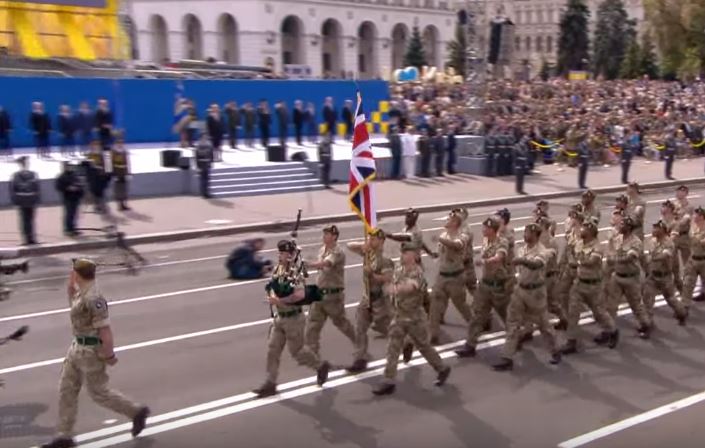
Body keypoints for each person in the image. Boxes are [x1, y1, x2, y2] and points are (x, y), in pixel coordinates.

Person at [39, 259, 150, 448]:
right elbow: (73, 300)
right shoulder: (81, 292)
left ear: (77, 274)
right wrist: (71, 283)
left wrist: (109, 354)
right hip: (76, 347)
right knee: (67, 389)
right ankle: (64, 435)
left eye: (73, 272)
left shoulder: (94, 298)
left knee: (98, 392)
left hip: (91, 351)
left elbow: (105, 329)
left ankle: (136, 412)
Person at [253, 240, 331, 398]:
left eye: (283, 253)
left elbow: (299, 295)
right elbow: (271, 285)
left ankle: (320, 366)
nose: (280, 255)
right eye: (280, 252)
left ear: (290, 255)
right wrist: (272, 295)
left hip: (293, 318)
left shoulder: (296, 273)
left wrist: (279, 301)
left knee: (297, 352)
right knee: (273, 350)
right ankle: (270, 383)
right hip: (280, 317)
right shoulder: (279, 269)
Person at [372, 243, 451, 396]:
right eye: (402, 253)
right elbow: (390, 281)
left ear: (415, 255)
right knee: (392, 347)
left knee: (423, 346)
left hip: (414, 318)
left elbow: (411, 286)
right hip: (399, 316)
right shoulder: (399, 269)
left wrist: (395, 289)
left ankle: (442, 368)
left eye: (406, 253)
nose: (402, 255)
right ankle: (388, 380)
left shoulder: (418, 272)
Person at [492, 224, 562, 371]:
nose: (525, 235)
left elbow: (536, 264)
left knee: (543, 325)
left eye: (528, 232)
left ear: (535, 235)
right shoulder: (522, 249)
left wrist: (521, 261)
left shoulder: (542, 251)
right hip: (520, 290)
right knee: (512, 322)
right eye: (524, 232)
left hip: (535, 293)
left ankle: (555, 350)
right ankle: (507, 357)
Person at [455, 217, 511, 358]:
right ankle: (470, 345)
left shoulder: (502, 241)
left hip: (498, 287)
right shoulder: (486, 240)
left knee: (507, 316)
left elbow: (499, 257)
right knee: (477, 315)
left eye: (486, 228)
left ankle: (515, 339)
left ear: (492, 230)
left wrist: (485, 262)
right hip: (485, 285)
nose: (483, 230)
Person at [562, 220, 619, 354]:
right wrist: (571, 254)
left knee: (599, 312)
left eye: (584, 229)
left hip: (593, 286)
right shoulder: (579, 243)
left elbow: (590, 261)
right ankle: (571, 341)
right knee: (573, 312)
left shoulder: (597, 247)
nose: (581, 231)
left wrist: (575, 259)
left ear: (591, 232)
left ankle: (612, 331)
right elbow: (571, 252)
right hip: (579, 283)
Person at [304, 225, 356, 357]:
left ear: (334, 236)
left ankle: (359, 343)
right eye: (324, 234)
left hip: (333, 295)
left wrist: (308, 264)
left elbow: (326, 264)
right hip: (319, 294)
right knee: (312, 325)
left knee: (342, 323)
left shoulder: (337, 252)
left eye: (327, 234)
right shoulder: (322, 249)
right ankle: (313, 354)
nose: (324, 236)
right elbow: (320, 267)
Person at [346, 229, 394, 373]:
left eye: (373, 239)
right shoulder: (368, 254)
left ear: (381, 241)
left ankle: (406, 343)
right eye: (369, 238)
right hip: (367, 298)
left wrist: (372, 275)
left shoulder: (385, 260)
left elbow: (387, 278)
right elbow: (349, 246)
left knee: (386, 328)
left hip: (380, 300)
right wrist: (363, 245)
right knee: (360, 328)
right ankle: (360, 359)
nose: (370, 241)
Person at [428, 209, 473, 344]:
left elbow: (456, 245)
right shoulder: (444, 234)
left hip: (455, 277)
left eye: (449, 219)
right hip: (442, 276)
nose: (446, 221)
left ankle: (475, 325)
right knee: (435, 305)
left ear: (455, 223)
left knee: (461, 305)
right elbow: (442, 253)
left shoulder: (462, 236)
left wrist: (441, 239)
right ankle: (433, 334)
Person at [608, 216, 652, 339]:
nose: (620, 226)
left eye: (622, 224)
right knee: (611, 306)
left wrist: (614, 259)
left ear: (629, 227)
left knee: (636, 305)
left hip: (631, 278)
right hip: (617, 276)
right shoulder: (617, 239)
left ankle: (645, 325)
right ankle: (609, 331)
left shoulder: (636, 242)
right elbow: (611, 252)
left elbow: (629, 257)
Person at [644, 220, 688, 325]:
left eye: (656, 228)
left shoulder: (668, 243)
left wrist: (652, 258)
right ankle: (647, 322)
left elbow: (664, 256)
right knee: (648, 299)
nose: (653, 230)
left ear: (662, 230)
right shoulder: (653, 241)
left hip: (664, 277)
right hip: (653, 276)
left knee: (671, 299)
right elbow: (649, 255)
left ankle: (682, 313)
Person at [10, 156, 41, 245]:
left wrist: (37, 199)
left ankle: (32, 238)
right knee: (24, 221)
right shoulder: (16, 175)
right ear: (20, 164)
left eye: (26, 163)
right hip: (22, 201)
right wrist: (15, 202)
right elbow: (13, 189)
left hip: (31, 200)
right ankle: (26, 239)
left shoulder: (33, 174)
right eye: (23, 163)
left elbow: (37, 188)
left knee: (31, 220)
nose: (25, 164)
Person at [681, 207, 705, 309]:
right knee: (688, 283)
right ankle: (684, 306)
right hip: (693, 259)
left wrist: (697, 240)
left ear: (702, 217)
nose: (694, 217)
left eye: (697, 215)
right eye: (694, 215)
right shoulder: (693, 227)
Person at [55, 162, 84, 237]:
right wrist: (68, 188)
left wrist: (78, 188)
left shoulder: (74, 175)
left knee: (75, 214)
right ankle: (68, 230)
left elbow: (80, 184)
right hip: (68, 198)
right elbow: (58, 187)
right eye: (66, 166)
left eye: (69, 166)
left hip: (76, 197)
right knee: (69, 214)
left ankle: (73, 228)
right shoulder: (61, 176)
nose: (69, 167)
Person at [111, 131, 131, 211]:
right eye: (119, 143)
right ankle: (119, 205)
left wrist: (128, 173)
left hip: (123, 172)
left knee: (124, 189)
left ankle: (124, 204)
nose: (120, 144)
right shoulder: (113, 152)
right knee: (118, 189)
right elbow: (111, 163)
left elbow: (127, 163)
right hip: (117, 172)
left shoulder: (124, 152)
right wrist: (113, 174)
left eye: (121, 143)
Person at [195, 134, 213, 199]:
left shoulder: (209, 145)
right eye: (204, 137)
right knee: (203, 179)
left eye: (206, 137)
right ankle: (204, 193)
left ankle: (206, 192)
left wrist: (211, 162)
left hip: (207, 163)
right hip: (201, 164)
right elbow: (196, 157)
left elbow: (211, 154)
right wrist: (197, 166)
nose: (205, 138)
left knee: (207, 179)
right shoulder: (198, 146)